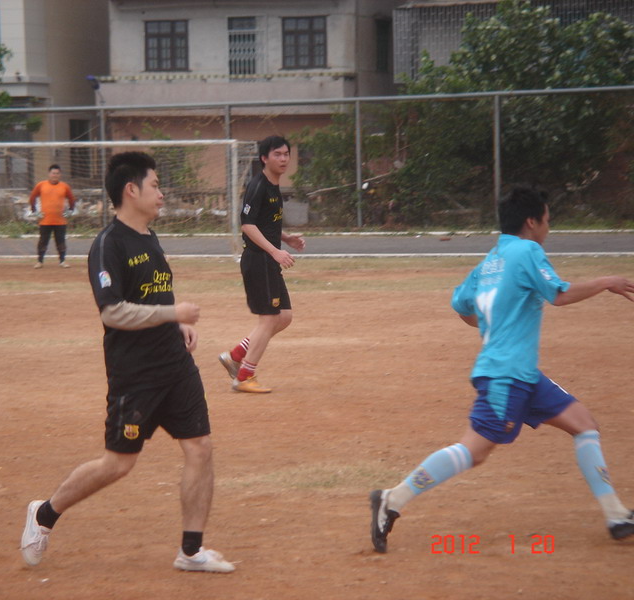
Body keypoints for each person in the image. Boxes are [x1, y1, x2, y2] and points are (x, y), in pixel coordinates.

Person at [369, 185, 634, 553]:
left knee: (584, 424)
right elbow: (558, 295)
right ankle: (392, 498)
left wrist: (494, 324)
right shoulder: (528, 251)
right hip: (505, 376)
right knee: (474, 451)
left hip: (522, 374)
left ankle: (616, 515)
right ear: (532, 222)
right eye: (547, 220)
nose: (548, 228)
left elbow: (461, 305)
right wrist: (607, 281)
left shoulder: (491, 260)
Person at [20, 152, 234, 573]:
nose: (161, 193)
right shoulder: (108, 245)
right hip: (135, 376)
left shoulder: (150, 238)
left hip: (175, 366)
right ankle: (44, 513)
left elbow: (152, 293)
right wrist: (172, 313)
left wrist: (175, 324)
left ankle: (191, 551)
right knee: (118, 463)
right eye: (155, 185)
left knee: (200, 447)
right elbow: (113, 311)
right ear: (131, 190)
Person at [218, 135, 305, 393]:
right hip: (259, 260)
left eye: (286, 154)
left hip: (267, 260)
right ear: (264, 158)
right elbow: (248, 225)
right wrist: (275, 251)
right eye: (277, 154)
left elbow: (265, 223)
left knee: (284, 317)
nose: (283, 159)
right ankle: (244, 376)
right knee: (268, 319)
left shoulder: (273, 185)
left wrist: (286, 238)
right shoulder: (258, 186)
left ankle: (235, 356)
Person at [29, 164, 76, 268]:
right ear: (49, 174)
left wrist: (70, 210)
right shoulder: (41, 185)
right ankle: (40, 261)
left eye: (57, 173)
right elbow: (32, 197)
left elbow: (72, 199)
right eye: (53, 173)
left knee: (61, 241)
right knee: (43, 241)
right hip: (45, 220)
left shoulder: (64, 186)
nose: (55, 175)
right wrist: (34, 211)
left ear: (60, 175)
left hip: (60, 220)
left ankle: (62, 261)